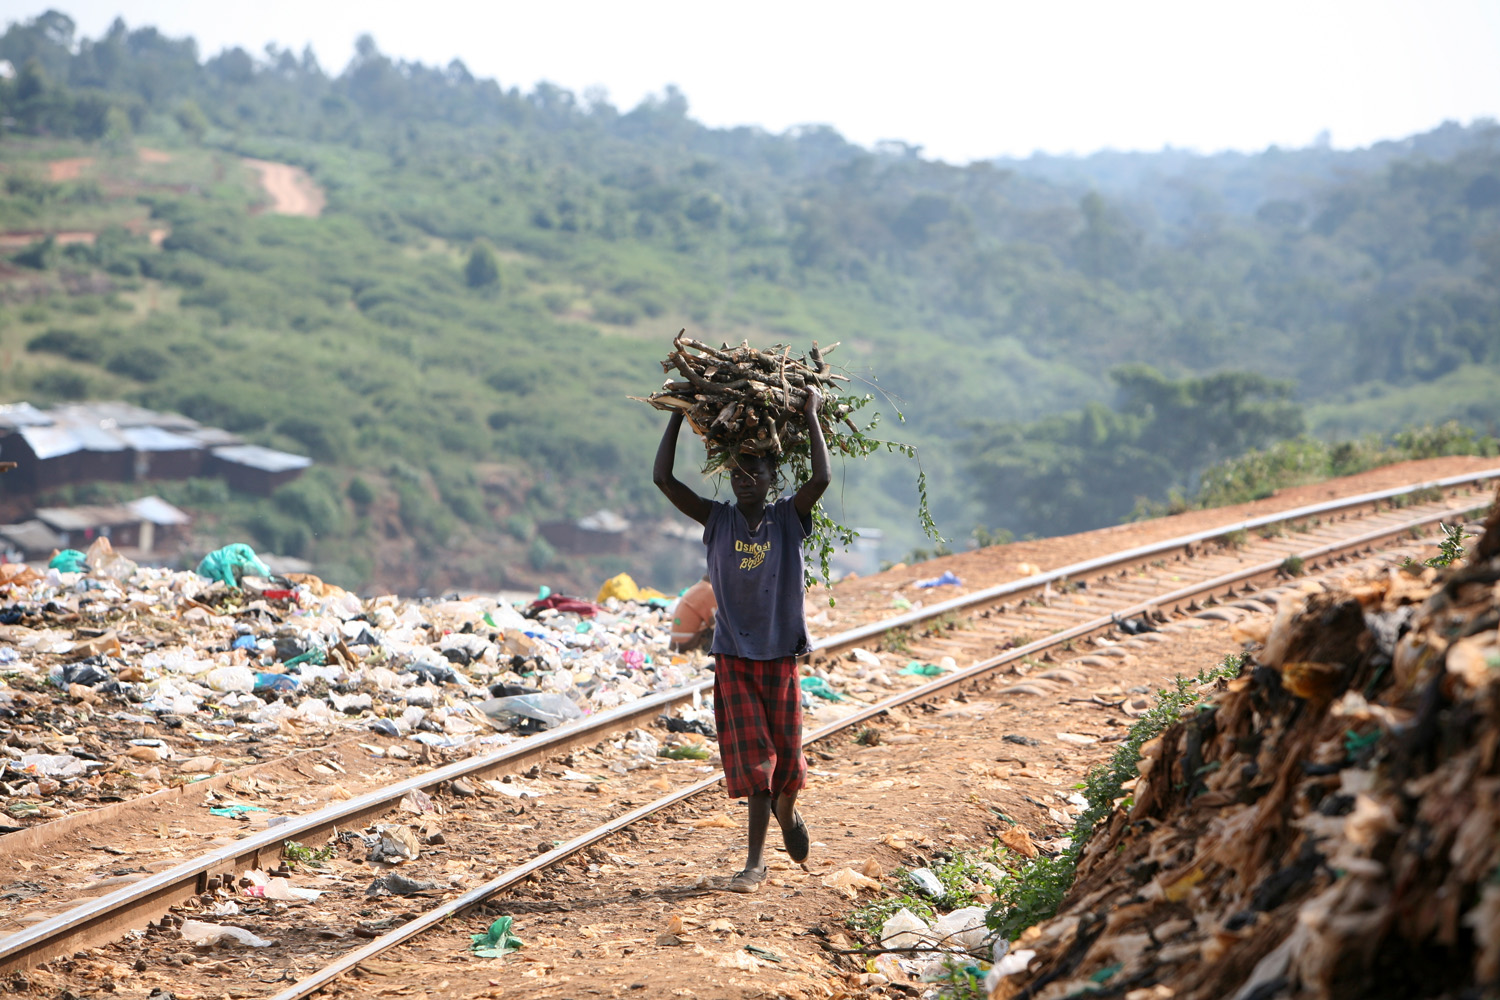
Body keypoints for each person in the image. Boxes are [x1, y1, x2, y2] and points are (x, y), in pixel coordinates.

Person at [653, 386, 830, 893]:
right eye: (737, 473)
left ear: (775, 479)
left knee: (788, 765)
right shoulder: (719, 520)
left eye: (757, 473)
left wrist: (813, 415)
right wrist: (677, 416)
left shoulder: (787, 520)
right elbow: (663, 478)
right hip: (734, 654)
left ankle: (788, 811)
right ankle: (755, 865)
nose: (746, 481)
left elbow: (821, 477)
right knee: (757, 764)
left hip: (780, 654)